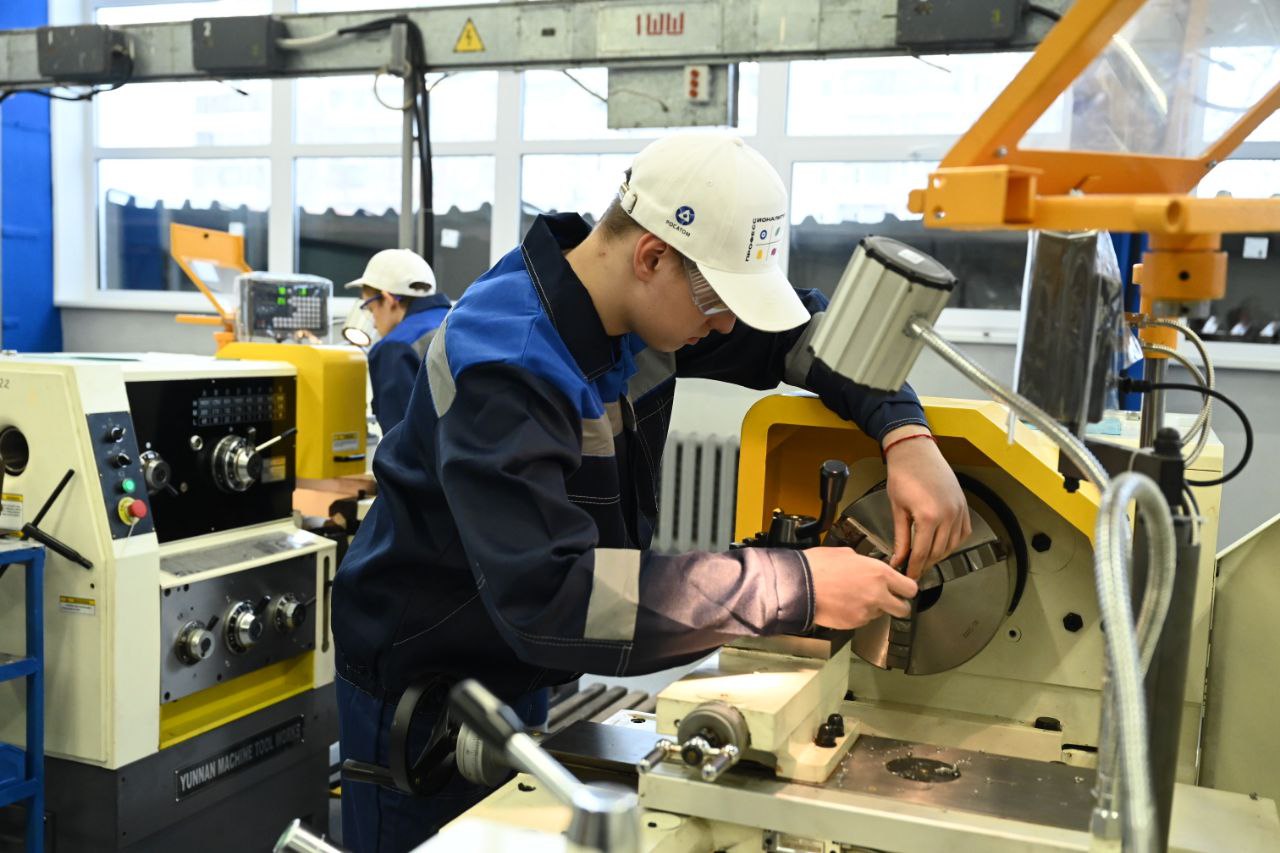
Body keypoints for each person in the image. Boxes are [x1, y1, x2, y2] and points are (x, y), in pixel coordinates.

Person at [332, 134, 971, 852]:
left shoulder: (634, 312)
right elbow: (554, 596)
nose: (726, 325)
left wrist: (905, 432)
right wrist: (796, 585)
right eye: (720, 302)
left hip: (517, 668)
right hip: (425, 694)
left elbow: (806, 335)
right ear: (652, 256)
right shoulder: (508, 364)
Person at [344, 248, 452, 433]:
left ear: (388, 299)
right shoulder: (457, 321)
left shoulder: (395, 347)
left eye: (371, 309)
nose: (374, 323)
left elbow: (401, 437)